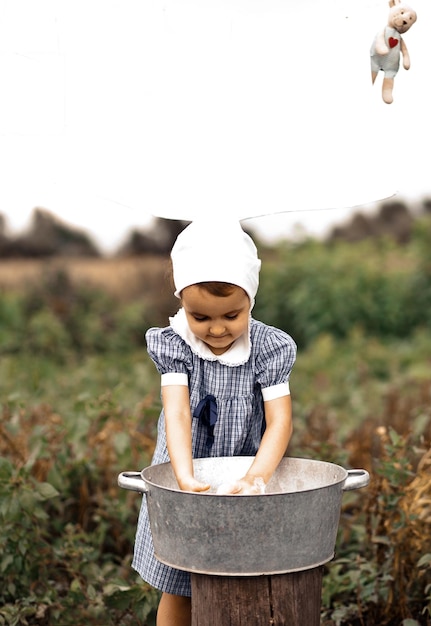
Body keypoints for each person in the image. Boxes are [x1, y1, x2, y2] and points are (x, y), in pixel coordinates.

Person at [132, 219, 297, 626]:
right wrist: (183, 477)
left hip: (247, 475)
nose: (217, 328)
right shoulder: (176, 346)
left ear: (251, 301)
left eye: (231, 314)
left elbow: (280, 422)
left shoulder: (268, 349)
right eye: (200, 317)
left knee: (245, 581)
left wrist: (257, 477)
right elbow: (177, 413)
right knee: (180, 583)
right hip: (187, 469)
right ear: (182, 303)